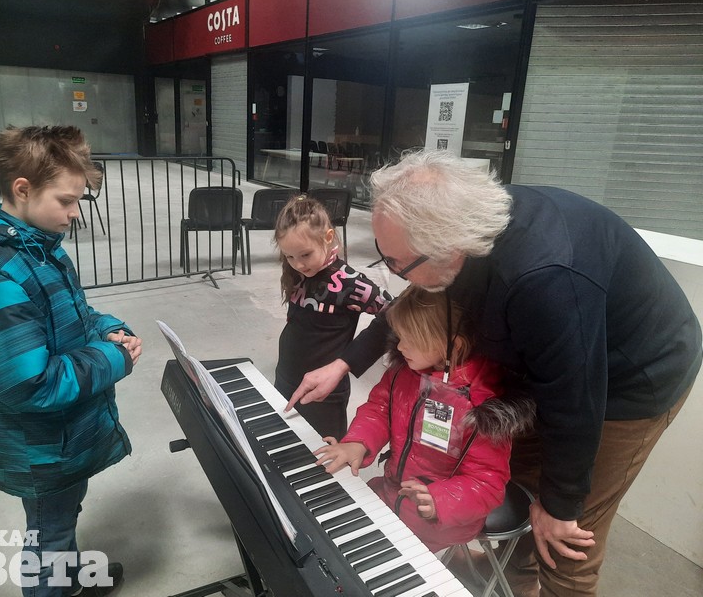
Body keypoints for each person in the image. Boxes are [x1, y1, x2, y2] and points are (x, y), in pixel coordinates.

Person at [286, 150, 701, 596]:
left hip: (632, 379)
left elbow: (573, 400)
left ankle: (563, 585)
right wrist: (344, 362)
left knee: (563, 532)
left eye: (394, 263)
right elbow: (410, 302)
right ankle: (516, 584)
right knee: (515, 484)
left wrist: (559, 504)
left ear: (449, 249)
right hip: (558, 360)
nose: (390, 272)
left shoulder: (545, 280)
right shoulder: (458, 229)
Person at [0, 125, 142, 597]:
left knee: (61, 520)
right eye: (66, 200)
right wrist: (113, 359)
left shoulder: (38, 246)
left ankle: (73, 576)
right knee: (48, 535)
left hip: (60, 440)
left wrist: (106, 327)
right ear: (23, 190)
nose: (74, 213)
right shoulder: (0, 272)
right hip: (41, 447)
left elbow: (72, 314)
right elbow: (30, 384)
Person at [313, 285, 534, 553]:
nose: (400, 346)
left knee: (376, 560)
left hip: (437, 520)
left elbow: (487, 483)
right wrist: (358, 442)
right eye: (399, 337)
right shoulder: (403, 371)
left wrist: (440, 501)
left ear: (453, 346)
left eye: (411, 340)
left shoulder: (481, 408)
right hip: (391, 492)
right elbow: (380, 409)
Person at [273, 195, 392, 439]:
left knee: (320, 454)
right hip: (285, 378)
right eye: (290, 256)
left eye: (305, 255)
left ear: (327, 238)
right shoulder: (298, 273)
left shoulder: (349, 282)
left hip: (324, 394)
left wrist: (351, 358)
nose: (298, 264)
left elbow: (393, 313)